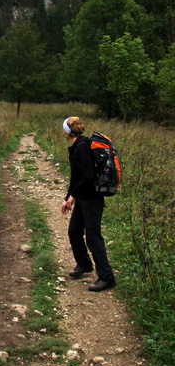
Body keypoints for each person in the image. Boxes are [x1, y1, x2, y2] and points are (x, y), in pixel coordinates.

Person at [60, 116, 116, 292]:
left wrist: (71, 198)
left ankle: (107, 277)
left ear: (67, 131)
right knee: (74, 231)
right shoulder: (77, 146)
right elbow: (76, 177)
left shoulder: (82, 148)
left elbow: (87, 176)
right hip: (83, 197)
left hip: (92, 198)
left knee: (93, 237)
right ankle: (84, 265)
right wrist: (68, 197)